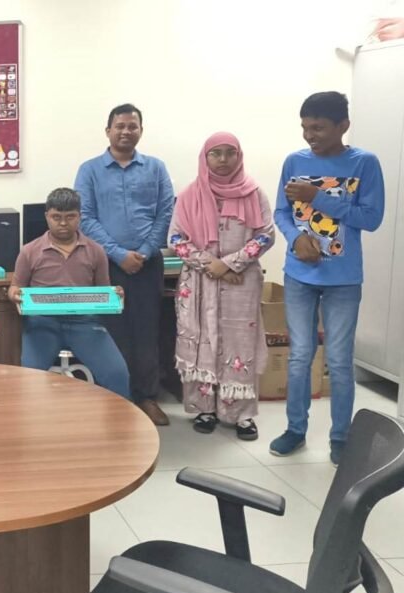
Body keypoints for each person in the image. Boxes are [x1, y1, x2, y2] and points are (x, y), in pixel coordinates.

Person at [269, 91, 385, 465]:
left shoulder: (364, 163)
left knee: (338, 358)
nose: (309, 135)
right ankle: (295, 429)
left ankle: (340, 438)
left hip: (343, 279)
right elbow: (282, 212)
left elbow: (371, 218)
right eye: (305, 127)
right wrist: (295, 238)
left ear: (343, 126)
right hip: (299, 275)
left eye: (318, 127)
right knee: (300, 355)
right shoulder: (294, 161)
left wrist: (316, 196)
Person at [169, 132, 275, 441]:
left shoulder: (253, 193)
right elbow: (175, 239)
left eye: (230, 153)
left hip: (240, 283)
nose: (223, 159)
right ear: (205, 158)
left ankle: (241, 414)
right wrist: (211, 265)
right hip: (199, 282)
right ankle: (204, 409)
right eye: (216, 153)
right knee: (201, 340)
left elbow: (266, 235)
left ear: (239, 156)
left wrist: (229, 264)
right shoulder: (190, 195)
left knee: (239, 342)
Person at [75, 103, 174, 424]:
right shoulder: (89, 170)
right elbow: (85, 217)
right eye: (120, 126)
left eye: (132, 126)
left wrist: (143, 252)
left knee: (147, 331)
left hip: (148, 263)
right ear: (108, 131)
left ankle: (147, 397)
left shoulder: (156, 168)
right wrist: (118, 253)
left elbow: (165, 213)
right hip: (105, 264)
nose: (126, 131)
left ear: (141, 131)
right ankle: (116, 397)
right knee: (111, 332)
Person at [9, 188, 130, 398]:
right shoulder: (29, 251)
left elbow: (104, 291)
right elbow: (15, 287)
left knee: (118, 375)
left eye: (70, 217)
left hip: (85, 323)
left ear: (79, 216)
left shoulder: (96, 250)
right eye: (56, 217)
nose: (63, 223)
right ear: (47, 216)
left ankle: (120, 419)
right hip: (42, 324)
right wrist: (15, 295)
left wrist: (115, 295)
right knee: (29, 379)